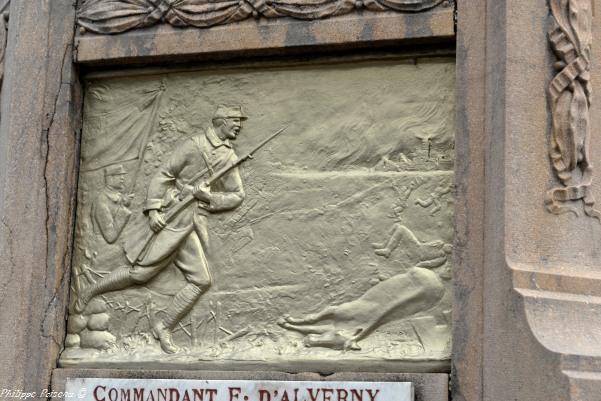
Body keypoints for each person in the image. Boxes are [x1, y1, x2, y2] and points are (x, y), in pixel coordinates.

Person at [74, 105, 246, 354]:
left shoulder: (229, 157)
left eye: (240, 121)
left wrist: (208, 197)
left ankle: (163, 326)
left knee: (201, 280)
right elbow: (165, 174)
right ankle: (92, 290)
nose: (239, 125)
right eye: (234, 120)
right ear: (220, 121)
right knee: (140, 274)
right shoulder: (194, 146)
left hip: (192, 223)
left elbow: (237, 195)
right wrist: (153, 210)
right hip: (172, 217)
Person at [90, 164, 133, 244]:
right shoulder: (101, 200)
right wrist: (124, 211)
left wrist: (124, 201)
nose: (122, 178)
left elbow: (116, 204)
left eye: (123, 175)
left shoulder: (117, 195)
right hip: (104, 251)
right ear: (110, 178)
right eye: (119, 175)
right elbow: (110, 236)